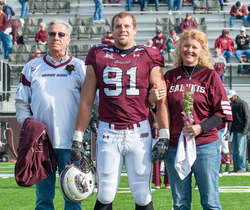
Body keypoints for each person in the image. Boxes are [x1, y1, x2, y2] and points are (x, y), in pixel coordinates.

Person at [71, 11, 170, 210]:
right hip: (108, 131)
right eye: (118, 26)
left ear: (134, 30)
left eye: (126, 26)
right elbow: (87, 100)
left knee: (142, 194)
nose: (122, 30)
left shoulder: (149, 55)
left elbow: (161, 98)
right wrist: (77, 137)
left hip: (139, 130)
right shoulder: (98, 54)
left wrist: (164, 135)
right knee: (105, 193)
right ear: (112, 30)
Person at [151, 29, 232, 209]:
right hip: (175, 146)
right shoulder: (170, 76)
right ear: (180, 48)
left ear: (201, 50)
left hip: (205, 145)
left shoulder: (211, 76)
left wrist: (200, 127)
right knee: (180, 203)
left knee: (210, 201)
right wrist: (152, 98)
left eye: (194, 47)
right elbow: (160, 108)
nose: (189, 50)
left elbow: (223, 114)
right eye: (186, 45)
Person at [14, 18, 88, 210]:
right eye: (52, 34)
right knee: (43, 200)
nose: (56, 37)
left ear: (68, 39)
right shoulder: (32, 67)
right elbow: (22, 102)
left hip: (72, 143)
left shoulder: (79, 67)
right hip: (41, 145)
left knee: (73, 199)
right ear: (46, 38)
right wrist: (31, 127)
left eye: (61, 34)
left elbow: (91, 102)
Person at [227, 89, 250, 173]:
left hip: (241, 131)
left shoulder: (243, 103)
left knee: (241, 149)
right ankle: (236, 167)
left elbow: (247, 117)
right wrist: (229, 130)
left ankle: (242, 167)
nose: (230, 99)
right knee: (234, 150)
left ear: (234, 96)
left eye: (230, 97)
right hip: (234, 131)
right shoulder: (231, 105)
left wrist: (245, 130)